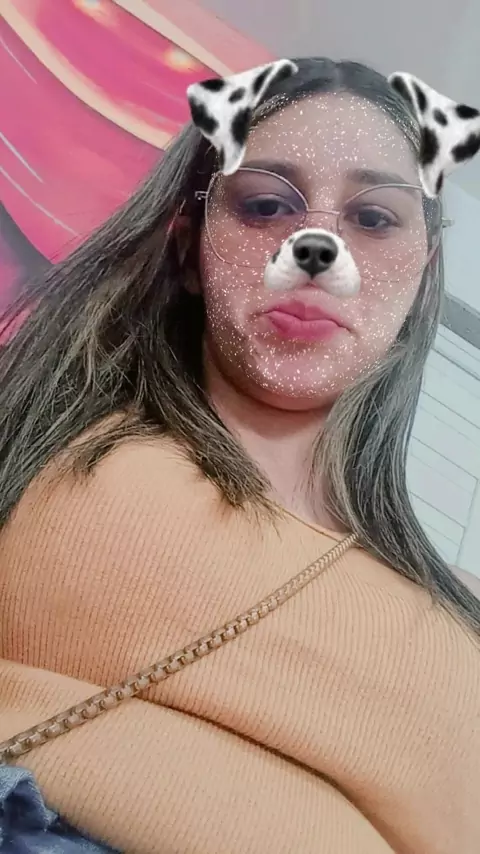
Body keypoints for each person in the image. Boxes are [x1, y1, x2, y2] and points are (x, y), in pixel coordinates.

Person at [0, 56, 479, 854]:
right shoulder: (60, 460)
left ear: (423, 272)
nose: (318, 244)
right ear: (188, 249)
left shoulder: (452, 602)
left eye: (375, 218)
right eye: (265, 205)